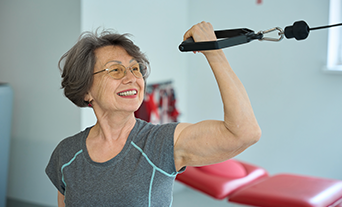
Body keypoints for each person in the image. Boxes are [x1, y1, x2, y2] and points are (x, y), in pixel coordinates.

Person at [46, 21, 261, 207]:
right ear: (86, 91)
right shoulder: (66, 154)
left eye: (135, 68)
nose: (131, 78)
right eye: (115, 70)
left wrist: (214, 52)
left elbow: (245, 132)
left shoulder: (161, 143)